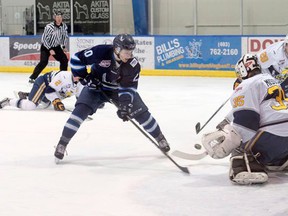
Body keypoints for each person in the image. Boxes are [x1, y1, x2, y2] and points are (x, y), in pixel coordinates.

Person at [54, 33, 170, 162]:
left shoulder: (133, 65)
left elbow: (128, 88)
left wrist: (125, 106)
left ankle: (160, 138)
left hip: (117, 91)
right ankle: (62, 143)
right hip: (95, 89)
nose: (129, 55)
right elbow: (76, 59)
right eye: (126, 52)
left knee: (142, 114)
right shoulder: (101, 52)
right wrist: (86, 78)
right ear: (117, 49)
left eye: (131, 51)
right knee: (79, 112)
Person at [201, 54, 288, 185]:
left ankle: (244, 167)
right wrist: (227, 119)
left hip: (272, 135)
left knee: (239, 144)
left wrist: (229, 143)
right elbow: (263, 108)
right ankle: (279, 161)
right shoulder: (270, 80)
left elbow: (247, 121)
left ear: (242, 69)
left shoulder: (244, 85)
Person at [0, 71, 82, 111]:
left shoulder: (82, 84)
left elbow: (80, 98)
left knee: (45, 105)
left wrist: (81, 108)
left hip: (51, 91)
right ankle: (8, 101)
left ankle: (27, 95)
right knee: (30, 106)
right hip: (44, 83)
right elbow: (49, 91)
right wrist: (56, 101)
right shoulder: (64, 76)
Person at [28, 12, 69, 83]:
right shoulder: (49, 27)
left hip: (56, 47)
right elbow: (44, 39)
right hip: (46, 47)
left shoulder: (64, 26)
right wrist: (50, 49)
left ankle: (63, 77)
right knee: (44, 62)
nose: (59, 19)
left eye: (60, 17)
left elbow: (64, 37)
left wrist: (63, 46)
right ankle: (32, 77)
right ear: (54, 18)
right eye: (57, 17)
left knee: (64, 60)